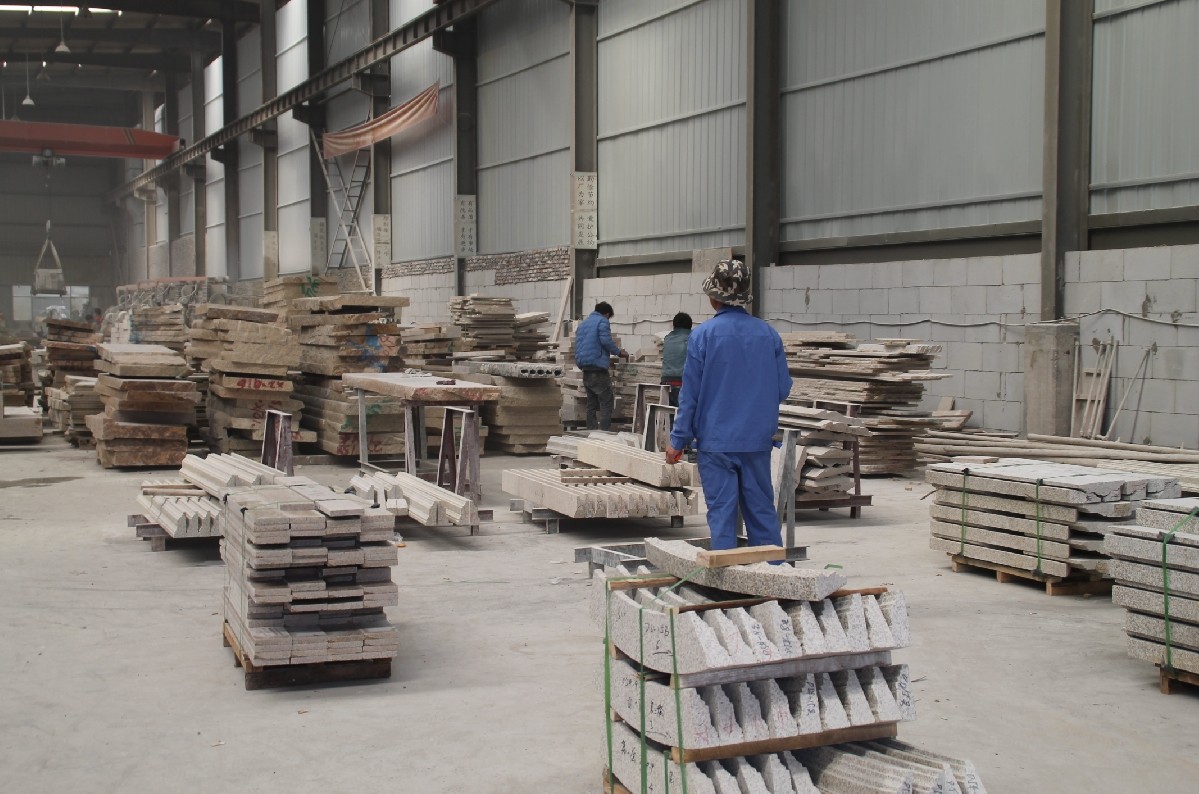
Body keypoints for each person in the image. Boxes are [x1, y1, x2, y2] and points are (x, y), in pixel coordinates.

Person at [665, 259, 792, 550]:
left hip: (716, 443)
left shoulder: (702, 336)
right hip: (757, 442)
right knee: (762, 513)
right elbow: (783, 388)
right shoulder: (768, 334)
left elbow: (690, 395)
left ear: (713, 297)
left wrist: (678, 440)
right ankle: (774, 577)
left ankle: (726, 583)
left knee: (722, 515)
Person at [574, 301, 628, 431]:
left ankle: (591, 431)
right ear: (607, 314)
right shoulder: (602, 321)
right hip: (597, 369)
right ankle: (603, 433)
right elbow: (605, 341)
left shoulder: (583, 324)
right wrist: (619, 352)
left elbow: (581, 345)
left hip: (585, 368)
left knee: (591, 403)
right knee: (607, 401)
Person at [660, 312, 692, 407]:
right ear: (690, 326)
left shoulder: (667, 338)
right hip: (683, 382)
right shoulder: (693, 337)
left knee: (671, 413)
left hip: (666, 382)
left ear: (674, 326)